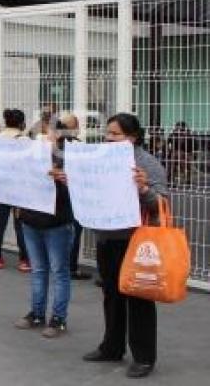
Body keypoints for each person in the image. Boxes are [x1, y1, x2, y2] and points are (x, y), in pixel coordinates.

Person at [61, 113, 167, 379]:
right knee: (112, 295)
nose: (108, 138)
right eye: (107, 133)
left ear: (133, 137)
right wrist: (73, 180)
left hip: (136, 241)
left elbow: (161, 205)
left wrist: (144, 189)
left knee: (139, 299)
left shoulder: (148, 164)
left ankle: (143, 357)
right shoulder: (100, 158)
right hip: (107, 238)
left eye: (115, 134)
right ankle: (112, 346)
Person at [14, 114, 79, 339]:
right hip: (31, 220)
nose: (41, 137)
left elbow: (82, 192)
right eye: (38, 132)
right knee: (39, 269)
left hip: (57, 223)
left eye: (46, 132)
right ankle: (37, 313)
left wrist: (63, 179)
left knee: (59, 271)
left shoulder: (71, 158)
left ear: (58, 135)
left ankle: (58, 318)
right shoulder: (28, 156)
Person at [0, 109, 31, 272]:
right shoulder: (25, 140)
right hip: (19, 188)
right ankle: (24, 260)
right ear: (22, 123)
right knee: (20, 225)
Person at [57, 113, 92, 281]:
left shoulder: (52, 147)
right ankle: (71, 267)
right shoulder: (78, 147)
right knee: (74, 233)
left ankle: (59, 265)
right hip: (75, 197)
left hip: (55, 199)